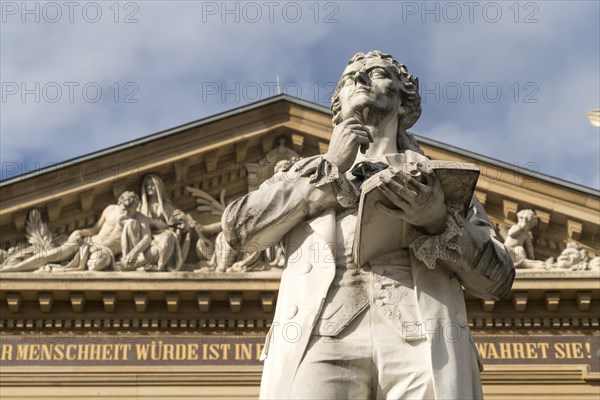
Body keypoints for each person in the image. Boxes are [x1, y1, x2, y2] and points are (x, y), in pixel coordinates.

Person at [222, 51, 515, 399]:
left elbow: (497, 279)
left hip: (419, 334)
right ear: (338, 106)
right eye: (349, 78)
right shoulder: (303, 174)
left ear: (404, 102)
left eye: (376, 73)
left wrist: (436, 219)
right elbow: (239, 229)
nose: (359, 80)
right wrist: (329, 168)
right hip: (323, 335)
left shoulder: (438, 182)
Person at [1, 191, 143, 272]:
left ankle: (62, 269)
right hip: (88, 242)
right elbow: (94, 229)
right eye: (125, 206)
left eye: (131, 208)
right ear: (121, 202)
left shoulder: (136, 222)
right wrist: (80, 232)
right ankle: (12, 269)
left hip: (104, 251)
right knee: (50, 254)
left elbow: (145, 239)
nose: (127, 210)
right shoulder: (110, 209)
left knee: (93, 267)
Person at [139, 174, 190, 271]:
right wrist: (152, 223)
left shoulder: (168, 207)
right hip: (148, 237)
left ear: (158, 186)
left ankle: (160, 267)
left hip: (164, 235)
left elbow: (177, 227)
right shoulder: (141, 207)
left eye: (152, 184)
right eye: (147, 185)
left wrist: (183, 221)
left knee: (169, 236)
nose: (149, 187)